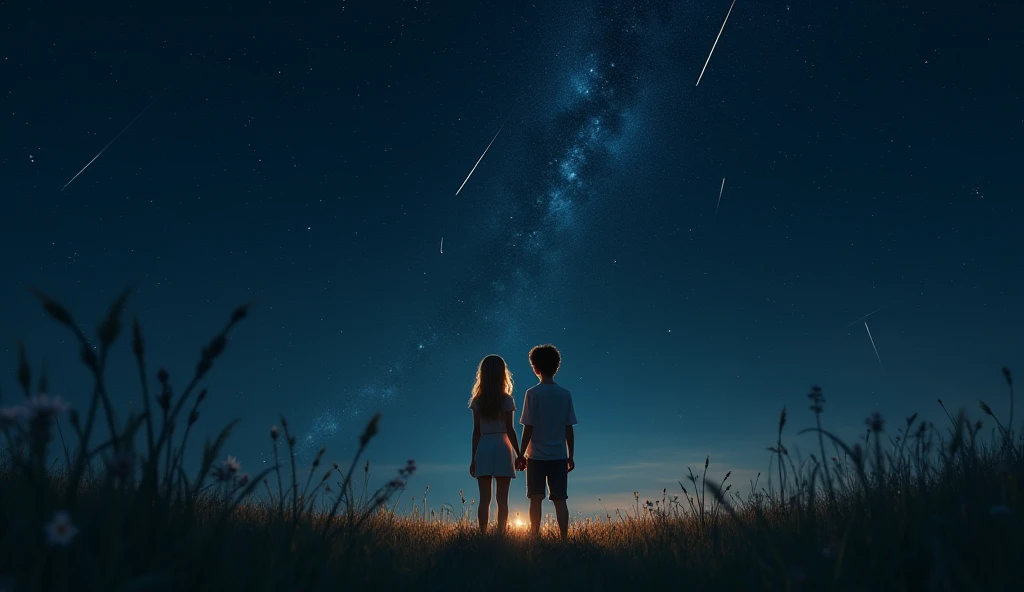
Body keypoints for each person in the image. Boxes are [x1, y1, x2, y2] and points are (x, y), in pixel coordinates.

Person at [517, 343, 577, 539]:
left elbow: (528, 426)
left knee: (535, 499)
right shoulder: (565, 394)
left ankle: (534, 537)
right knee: (560, 499)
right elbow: (569, 427)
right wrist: (571, 455)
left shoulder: (532, 393)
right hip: (559, 455)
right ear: (556, 367)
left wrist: (520, 453)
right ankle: (564, 538)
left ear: (535, 368)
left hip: (536, 456)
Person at [468, 354, 524, 534]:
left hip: (484, 445)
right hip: (502, 446)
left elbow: (476, 431)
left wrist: (473, 458)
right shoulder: (507, 400)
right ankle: (500, 534)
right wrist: (519, 454)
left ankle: (482, 533)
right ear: (502, 374)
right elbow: (510, 429)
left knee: (484, 499)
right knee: (502, 499)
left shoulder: (477, 401)